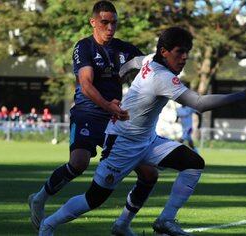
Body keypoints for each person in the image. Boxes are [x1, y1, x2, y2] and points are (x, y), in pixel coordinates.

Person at [38, 26, 246, 236]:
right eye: (180, 52)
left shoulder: (152, 59)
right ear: (164, 52)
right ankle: (48, 224)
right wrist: (242, 95)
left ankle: (152, 221)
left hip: (147, 140)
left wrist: (121, 73)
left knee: (191, 163)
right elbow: (200, 103)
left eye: (187, 52)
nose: (184, 57)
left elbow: (135, 61)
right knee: (94, 199)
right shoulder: (161, 77)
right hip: (122, 142)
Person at [29, 2, 159, 236]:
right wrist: (108, 105)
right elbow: (86, 85)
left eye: (114, 23)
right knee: (78, 163)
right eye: (105, 23)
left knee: (149, 173)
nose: (110, 28)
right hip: (88, 113)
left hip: (115, 118)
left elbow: (150, 66)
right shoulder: (84, 47)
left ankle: (123, 224)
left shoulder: (124, 49)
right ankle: (39, 198)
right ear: (93, 22)